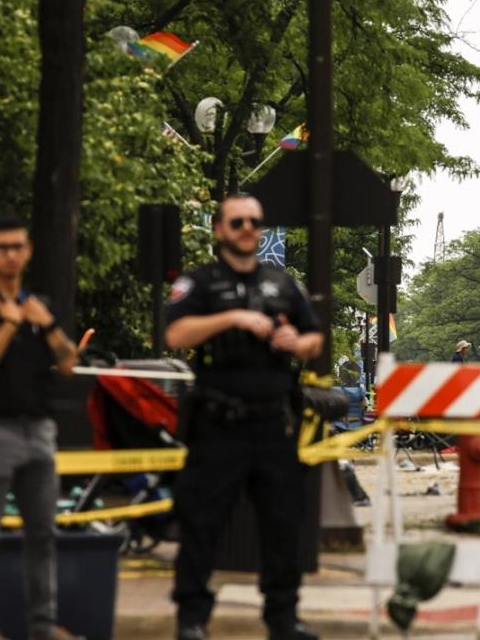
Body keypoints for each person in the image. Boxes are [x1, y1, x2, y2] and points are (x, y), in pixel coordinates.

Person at [165, 194, 324, 640]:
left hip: (272, 424)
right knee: (201, 522)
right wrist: (232, 318)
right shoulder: (201, 284)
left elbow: (315, 338)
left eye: (255, 221)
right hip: (219, 423)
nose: (247, 229)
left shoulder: (281, 283)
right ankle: (192, 618)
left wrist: (298, 340)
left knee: (283, 523)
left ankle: (283, 617)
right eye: (238, 222)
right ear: (219, 229)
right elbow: (175, 332)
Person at [0, 216, 81, 640]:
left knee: (43, 534)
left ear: (28, 252)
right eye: (1, 247)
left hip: (39, 429)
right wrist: (9, 324)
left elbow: (67, 362)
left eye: (16, 246)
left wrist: (44, 323)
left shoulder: (40, 303)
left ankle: (41, 628)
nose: (10, 254)